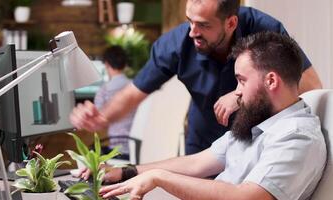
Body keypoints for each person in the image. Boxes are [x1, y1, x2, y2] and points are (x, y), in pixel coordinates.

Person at [70, 0, 322, 155]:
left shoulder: (264, 29)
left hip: (258, 139)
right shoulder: (176, 44)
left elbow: (312, 85)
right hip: (204, 140)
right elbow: (134, 92)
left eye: (203, 25)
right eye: (189, 20)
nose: (193, 32)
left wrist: (241, 95)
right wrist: (102, 117)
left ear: (231, 23)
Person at [97, 32, 327, 200]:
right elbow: (196, 163)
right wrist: (128, 172)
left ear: (271, 81)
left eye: (241, 80)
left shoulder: (296, 136)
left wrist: (160, 178)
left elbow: (246, 197)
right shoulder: (258, 121)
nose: (236, 91)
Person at [94, 46, 135, 158]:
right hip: (139, 146)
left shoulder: (104, 90)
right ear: (125, 64)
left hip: (117, 149)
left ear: (106, 64)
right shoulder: (137, 87)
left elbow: (98, 123)